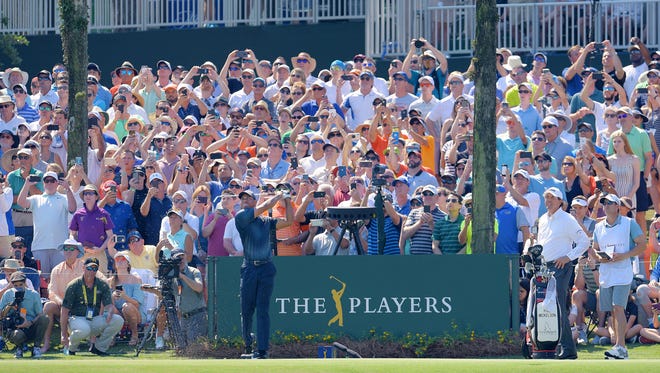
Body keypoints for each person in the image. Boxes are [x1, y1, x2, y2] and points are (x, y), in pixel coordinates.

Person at [235, 189, 293, 359]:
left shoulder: (266, 221)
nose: (244, 200)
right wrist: (279, 195)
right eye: (242, 198)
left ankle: (262, 350)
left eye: (248, 198)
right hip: (249, 269)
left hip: (266, 268)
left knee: (263, 310)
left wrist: (288, 200)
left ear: (255, 200)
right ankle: (247, 346)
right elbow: (267, 205)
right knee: (246, 310)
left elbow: (289, 221)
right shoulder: (241, 216)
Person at [535, 186, 590, 359]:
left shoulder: (567, 219)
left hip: (560, 267)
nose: (548, 201)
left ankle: (568, 349)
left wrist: (568, 257)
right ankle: (552, 347)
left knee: (557, 307)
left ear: (560, 201)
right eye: (547, 197)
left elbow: (584, 242)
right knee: (547, 309)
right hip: (544, 268)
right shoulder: (543, 218)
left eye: (552, 197)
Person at [591, 193, 645, 360]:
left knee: (618, 307)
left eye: (609, 203)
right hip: (606, 273)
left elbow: (642, 244)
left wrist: (624, 255)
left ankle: (621, 347)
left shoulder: (629, 223)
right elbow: (594, 249)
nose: (606, 205)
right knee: (613, 311)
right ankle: (618, 347)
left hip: (623, 273)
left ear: (617, 207)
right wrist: (600, 257)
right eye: (604, 203)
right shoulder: (598, 227)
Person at [60, 257, 124, 356]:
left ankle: (99, 348)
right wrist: (63, 334)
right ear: (83, 268)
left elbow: (109, 304)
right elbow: (64, 311)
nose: (92, 271)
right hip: (76, 319)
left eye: (95, 269)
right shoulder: (74, 285)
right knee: (84, 329)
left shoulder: (102, 284)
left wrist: (110, 311)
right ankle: (71, 348)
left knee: (118, 320)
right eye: (89, 268)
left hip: (95, 319)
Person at [0, 271, 48, 358]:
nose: (18, 287)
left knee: (44, 318)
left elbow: (40, 314)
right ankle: (20, 348)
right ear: (12, 284)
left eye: (21, 284)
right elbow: (1, 315)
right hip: (15, 328)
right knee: (16, 335)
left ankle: (36, 347)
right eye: (16, 285)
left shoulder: (33, 294)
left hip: (31, 325)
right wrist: (10, 306)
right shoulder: (8, 294)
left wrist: (30, 323)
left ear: (25, 282)